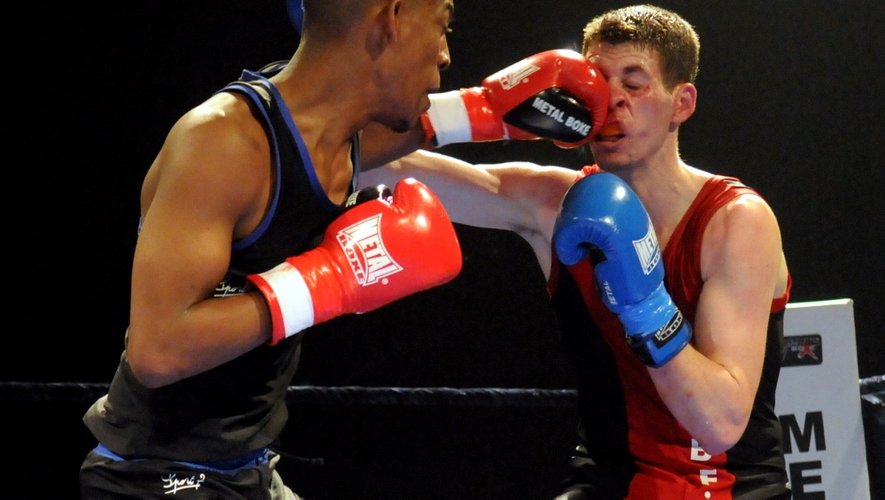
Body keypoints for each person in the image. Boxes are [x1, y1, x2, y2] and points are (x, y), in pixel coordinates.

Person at [360, 4, 792, 498]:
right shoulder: (553, 203)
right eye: (598, 81)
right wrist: (478, 113)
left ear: (682, 103)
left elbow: (719, 423)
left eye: (634, 82)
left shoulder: (736, 222)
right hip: (608, 481)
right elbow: (370, 162)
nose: (613, 99)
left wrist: (643, 303)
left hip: (731, 488)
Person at [78, 1, 464, 498]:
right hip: (156, 476)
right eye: (443, 25)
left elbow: (412, 131)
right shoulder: (224, 141)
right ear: (391, 18)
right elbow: (157, 350)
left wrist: (492, 110)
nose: (446, 53)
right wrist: (330, 279)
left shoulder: (331, 135)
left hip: (249, 472)